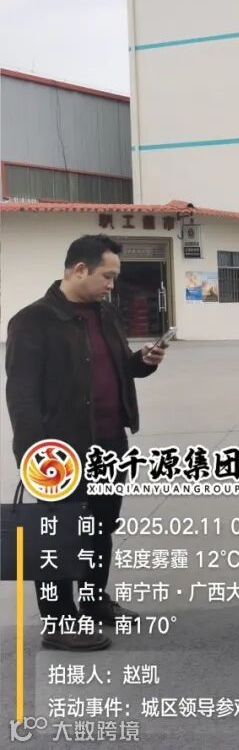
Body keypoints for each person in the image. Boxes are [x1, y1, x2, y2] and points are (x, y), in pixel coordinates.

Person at [5, 234, 167, 651]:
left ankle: (93, 601)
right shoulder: (33, 321)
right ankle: (59, 621)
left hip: (109, 445)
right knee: (58, 536)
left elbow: (119, 367)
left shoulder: (106, 314)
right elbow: (21, 396)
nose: (112, 285)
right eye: (107, 276)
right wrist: (33, 454)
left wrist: (143, 362)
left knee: (101, 527)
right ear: (79, 270)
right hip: (60, 452)